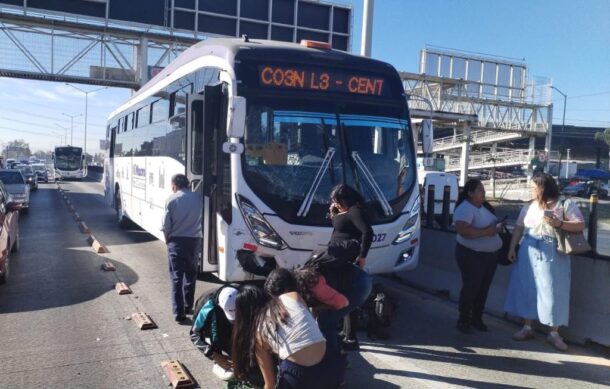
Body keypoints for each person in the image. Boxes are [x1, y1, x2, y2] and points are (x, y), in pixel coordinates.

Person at [504, 173, 584, 351]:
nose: (530, 190)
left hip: (552, 250)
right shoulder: (530, 206)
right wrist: (512, 248)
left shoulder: (564, 204)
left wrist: (559, 223)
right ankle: (527, 326)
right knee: (528, 286)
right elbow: (519, 227)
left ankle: (554, 332)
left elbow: (579, 224)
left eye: (533, 187)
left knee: (554, 289)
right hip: (530, 247)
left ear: (543, 188)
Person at [232, 270, 343, 389]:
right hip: (333, 366)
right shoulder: (294, 296)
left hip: (299, 378)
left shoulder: (259, 333)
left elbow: (270, 384)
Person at [316, 184, 373, 352]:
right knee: (343, 292)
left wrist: (362, 255)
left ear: (345, 199)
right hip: (337, 256)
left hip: (346, 258)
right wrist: (334, 213)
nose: (335, 203)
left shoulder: (355, 211)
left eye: (337, 201)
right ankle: (346, 332)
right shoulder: (345, 211)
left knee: (348, 294)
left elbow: (367, 232)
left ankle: (351, 336)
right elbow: (341, 226)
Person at [453, 179, 504, 334]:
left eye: (483, 190)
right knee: (472, 287)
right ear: (470, 193)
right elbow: (463, 231)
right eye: (480, 190)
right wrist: (487, 232)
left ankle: (477, 318)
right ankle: (464, 319)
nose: (484, 193)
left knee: (483, 288)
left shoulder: (485, 207)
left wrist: (497, 228)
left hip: (489, 256)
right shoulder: (465, 209)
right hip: (471, 254)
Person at [162, 173, 202, 322]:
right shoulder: (198, 198)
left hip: (176, 242)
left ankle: (179, 313)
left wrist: (168, 241)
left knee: (177, 277)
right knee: (191, 274)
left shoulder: (171, 199)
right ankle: (187, 305)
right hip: (194, 241)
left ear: (174, 185)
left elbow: (166, 226)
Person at [190, 285, 238, 381]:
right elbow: (195, 334)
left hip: (233, 313)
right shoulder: (206, 305)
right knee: (216, 334)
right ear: (220, 305)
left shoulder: (244, 296)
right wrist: (214, 355)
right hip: (213, 318)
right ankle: (219, 359)